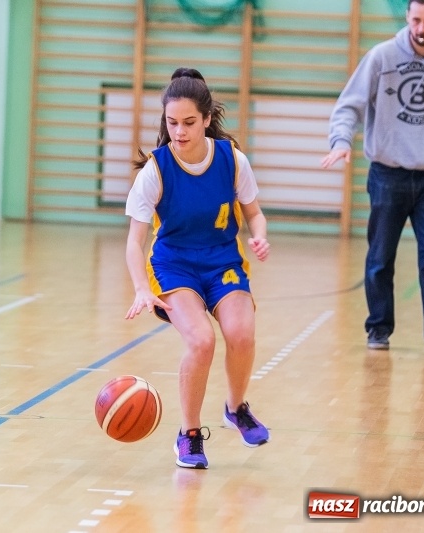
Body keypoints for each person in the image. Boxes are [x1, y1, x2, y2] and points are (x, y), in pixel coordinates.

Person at [124, 67, 270, 469]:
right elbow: (135, 243)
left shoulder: (232, 160)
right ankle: (188, 435)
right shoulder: (155, 170)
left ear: (207, 119)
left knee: (241, 333)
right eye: (172, 123)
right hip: (175, 266)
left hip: (222, 261)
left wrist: (259, 235)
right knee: (202, 341)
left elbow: (255, 213)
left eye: (189, 122)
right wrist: (141, 287)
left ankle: (236, 407)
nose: (180, 131)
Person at [321, 0, 424, 356]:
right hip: (387, 174)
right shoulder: (382, 57)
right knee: (380, 257)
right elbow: (349, 105)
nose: (422, 28)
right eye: (416, 19)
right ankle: (378, 328)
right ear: (407, 18)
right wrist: (342, 140)